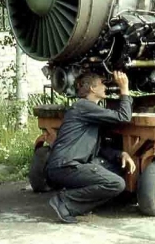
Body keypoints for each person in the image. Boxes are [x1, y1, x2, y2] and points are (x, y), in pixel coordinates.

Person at [46, 70, 136, 224]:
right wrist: (124, 88)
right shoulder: (84, 106)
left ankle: (77, 198)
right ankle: (65, 202)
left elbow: (96, 148)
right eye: (102, 84)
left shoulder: (87, 111)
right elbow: (123, 117)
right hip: (66, 167)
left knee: (116, 168)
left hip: (67, 165)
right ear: (93, 89)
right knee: (116, 183)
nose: (105, 87)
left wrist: (121, 154)